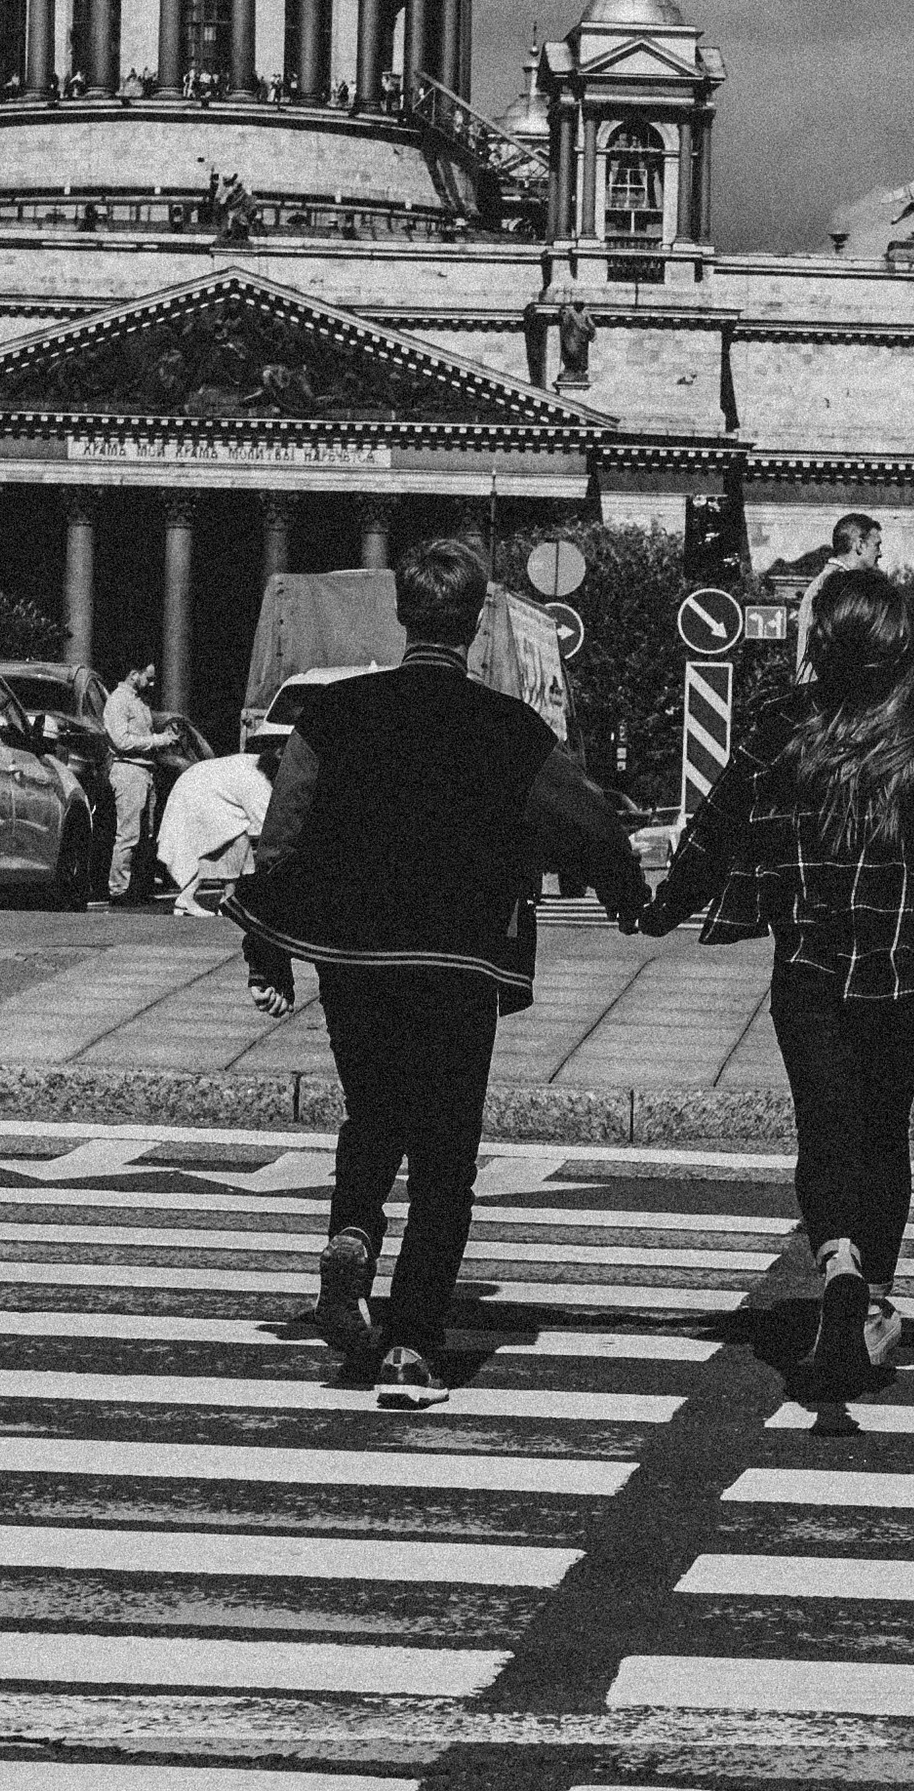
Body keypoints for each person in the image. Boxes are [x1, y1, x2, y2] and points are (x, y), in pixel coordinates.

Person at [230, 536, 644, 1408]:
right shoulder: (507, 727)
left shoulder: (333, 715)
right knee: (447, 1152)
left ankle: (352, 1230)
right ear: (476, 623)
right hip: (459, 961)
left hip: (357, 957)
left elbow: (283, 838)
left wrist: (269, 949)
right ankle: (413, 1344)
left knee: (374, 1111)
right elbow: (590, 825)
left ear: (403, 612)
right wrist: (628, 894)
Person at [641, 565, 914, 1399]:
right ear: (903, 648)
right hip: (912, 978)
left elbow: (715, 835)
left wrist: (660, 909)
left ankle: (835, 1255)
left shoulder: (777, 729)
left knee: (824, 1126)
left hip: (809, 971)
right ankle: (871, 1299)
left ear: (824, 645)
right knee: (884, 1129)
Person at [157, 749, 270, 911]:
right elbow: (265, 824)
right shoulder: (257, 781)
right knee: (233, 842)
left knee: (233, 842)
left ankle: (226, 899)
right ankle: (198, 898)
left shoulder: (256, 764)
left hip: (202, 788)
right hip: (199, 793)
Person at [99, 662, 164, 905]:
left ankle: (137, 884)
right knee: (128, 833)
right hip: (128, 769)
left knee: (145, 833)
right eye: (149, 678)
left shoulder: (139, 701)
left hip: (145, 770)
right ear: (133, 675)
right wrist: (158, 740)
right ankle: (118, 888)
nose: (153, 683)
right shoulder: (118, 701)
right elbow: (121, 740)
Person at [794, 510, 882, 665]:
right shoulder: (840, 584)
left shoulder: (826, 580)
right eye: (877, 545)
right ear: (860, 545)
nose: (880, 553)